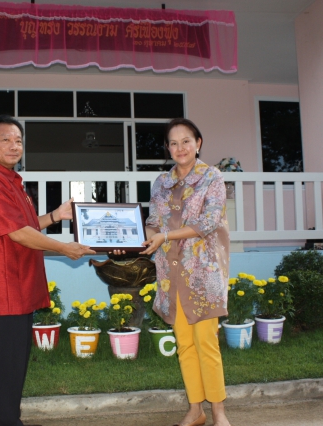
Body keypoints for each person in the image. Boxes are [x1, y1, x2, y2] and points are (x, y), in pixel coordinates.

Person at [0, 115, 96, 426]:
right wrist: (65, 248)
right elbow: (18, 233)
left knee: (11, 375)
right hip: (0, 297)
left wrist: (55, 216)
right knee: (0, 378)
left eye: (18, 140)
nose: (14, 146)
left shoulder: (10, 180)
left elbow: (24, 225)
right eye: (6, 140)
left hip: (16, 293)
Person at [140, 118, 231, 426]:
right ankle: (196, 410)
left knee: (207, 342)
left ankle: (219, 412)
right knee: (185, 344)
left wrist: (165, 236)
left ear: (198, 143)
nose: (180, 148)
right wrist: (142, 238)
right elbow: (153, 221)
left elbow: (208, 222)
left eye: (186, 141)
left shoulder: (211, 177)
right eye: (174, 143)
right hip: (171, 272)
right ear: (168, 148)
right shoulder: (161, 182)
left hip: (202, 272)